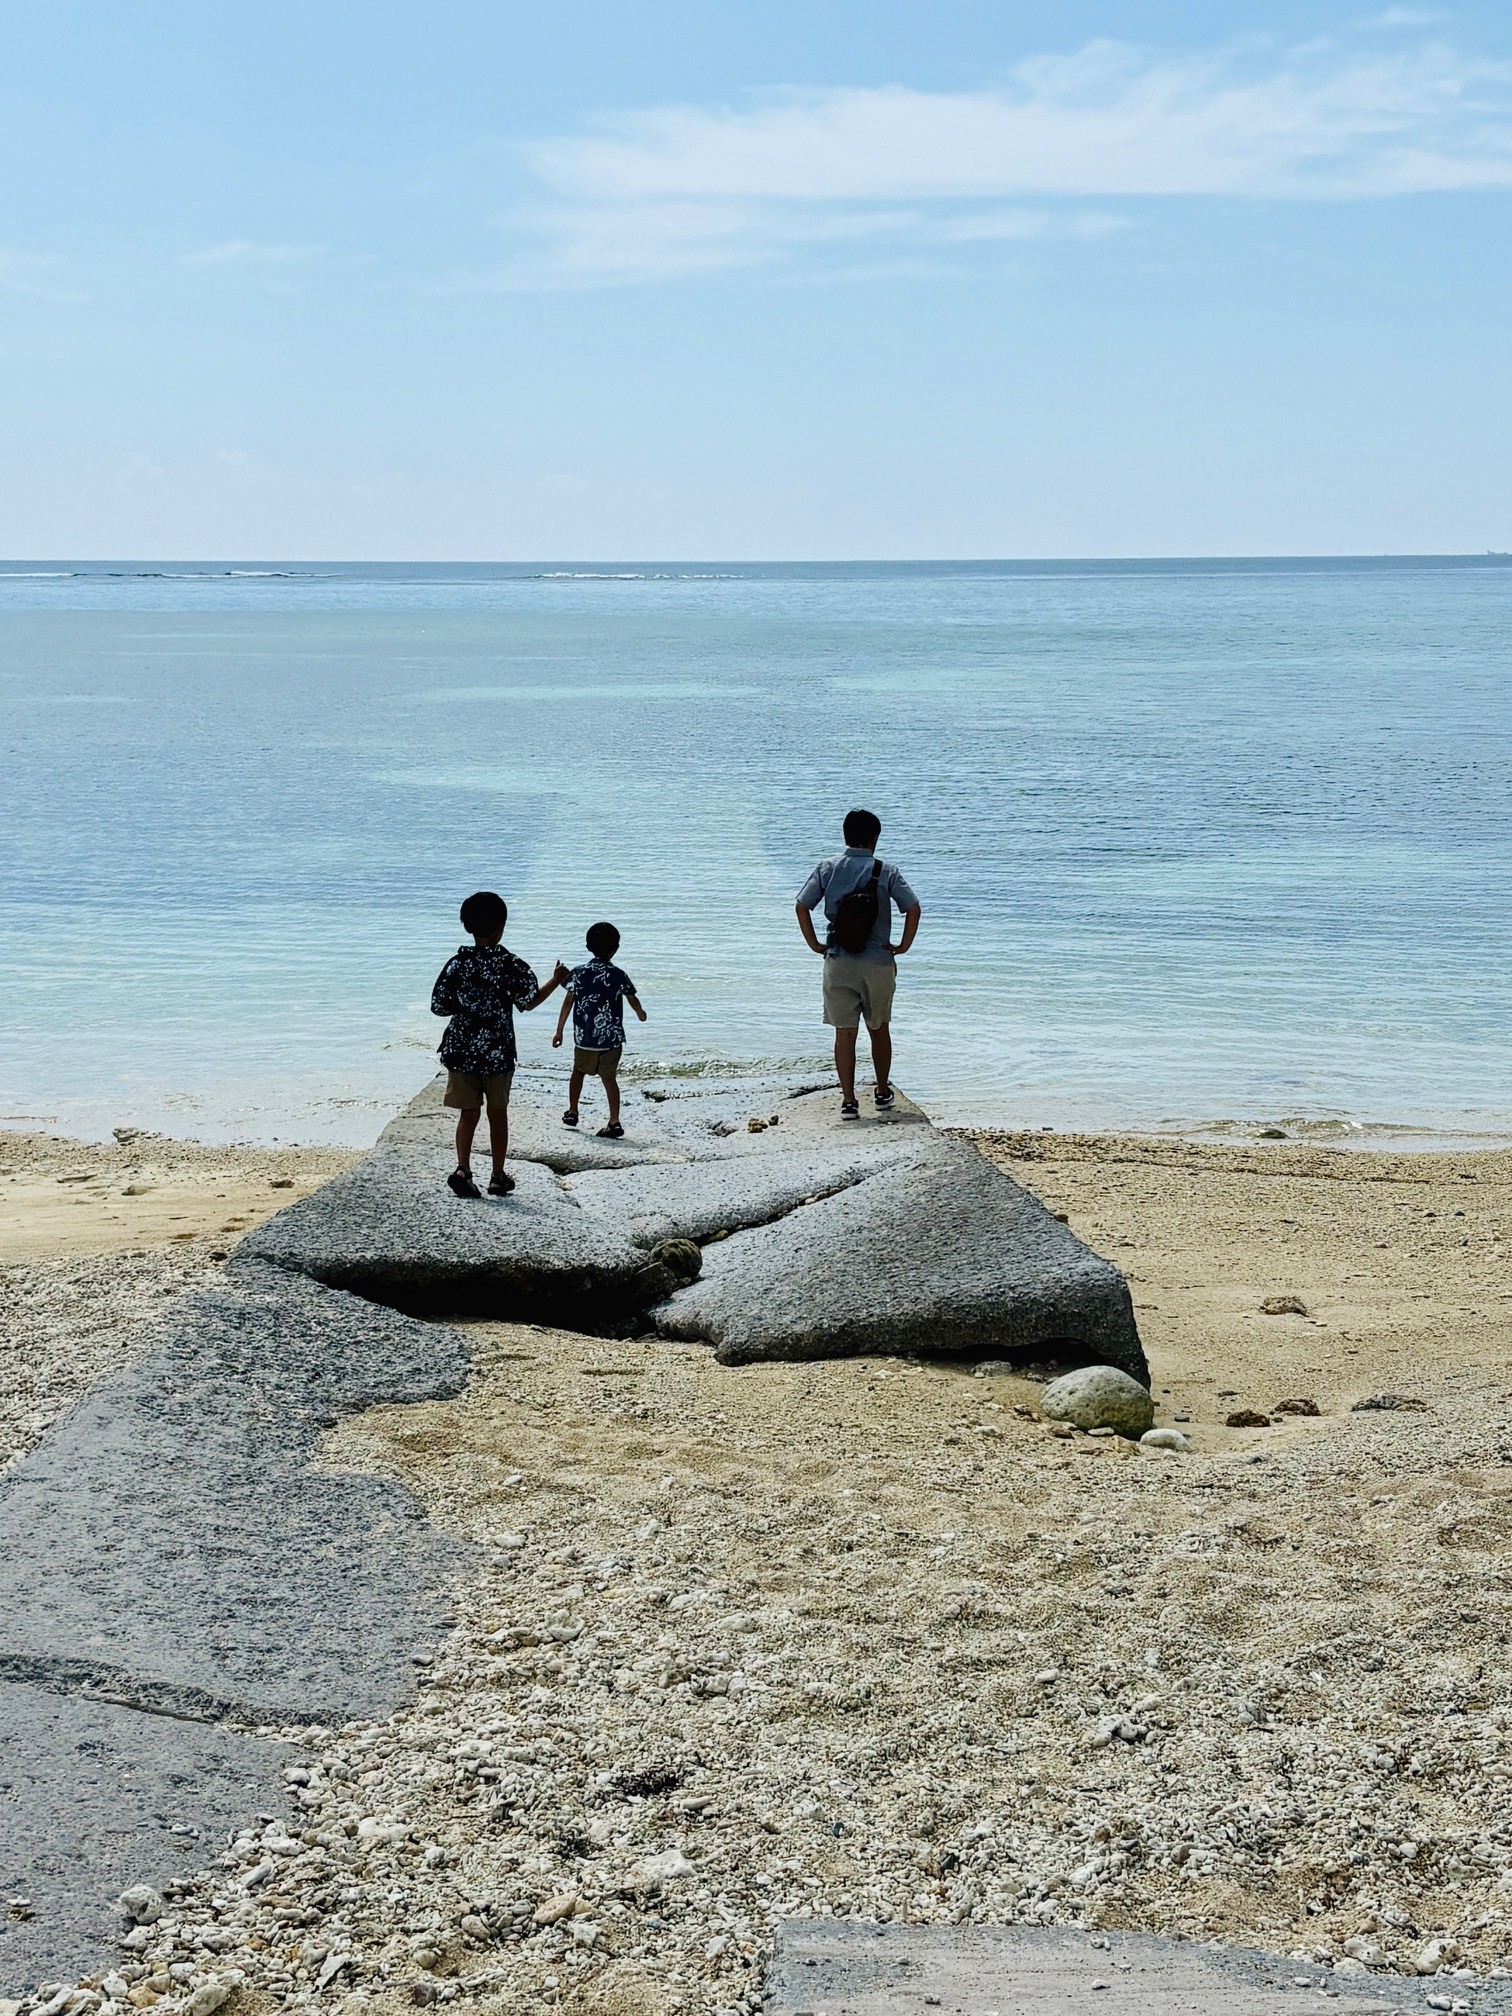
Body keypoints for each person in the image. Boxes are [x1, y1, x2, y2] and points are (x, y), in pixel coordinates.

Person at [430, 891, 569, 1199]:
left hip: (461, 1050)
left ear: (468, 927)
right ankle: (497, 1175)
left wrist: (469, 1004)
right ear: (502, 926)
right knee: (497, 1113)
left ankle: (462, 1169)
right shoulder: (511, 965)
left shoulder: (457, 965)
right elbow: (529, 1001)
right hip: (498, 1051)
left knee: (468, 1114)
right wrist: (556, 979)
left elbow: (439, 1006)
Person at [796, 809, 921, 1119]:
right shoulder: (886, 871)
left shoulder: (828, 867)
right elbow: (913, 908)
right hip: (878, 962)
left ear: (845, 836)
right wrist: (902, 946)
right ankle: (881, 1092)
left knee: (844, 1033)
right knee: (879, 1029)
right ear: (874, 839)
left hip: (838, 960)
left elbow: (801, 906)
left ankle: (849, 1101)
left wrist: (815, 945)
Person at [553, 921, 647, 1138]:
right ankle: (614, 1121)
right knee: (609, 1079)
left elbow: (567, 1001)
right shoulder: (618, 974)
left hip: (585, 1038)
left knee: (578, 1072)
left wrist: (559, 1031)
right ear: (616, 948)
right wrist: (641, 1015)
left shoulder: (579, 973)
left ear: (588, 947)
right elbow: (632, 998)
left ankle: (572, 1111)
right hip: (611, 1040)